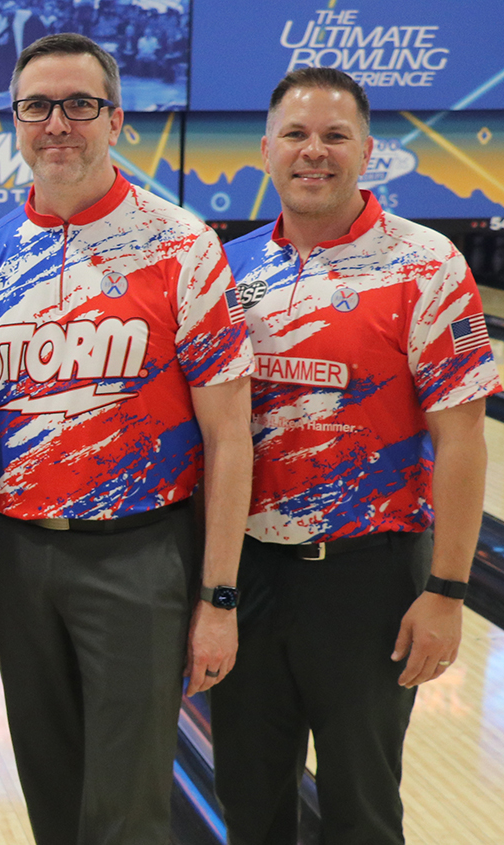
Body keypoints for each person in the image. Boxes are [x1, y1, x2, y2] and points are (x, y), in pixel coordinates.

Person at [0, 33, 254, 845]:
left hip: (141, 553)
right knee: (52, 790)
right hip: (14, 554)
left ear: (116, 120)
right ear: (15, 122)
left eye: (80, 104)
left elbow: (228, 436)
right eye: (37, 106)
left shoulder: (182, 246)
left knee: (128, 809)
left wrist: (218, 596)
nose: (58, 123)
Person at [212, 67, 502, 845]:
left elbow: (464, 440)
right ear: (266, 148)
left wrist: (446, 590)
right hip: (244, 574)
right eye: (297, 135)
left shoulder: (427, 265)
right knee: (247, 800)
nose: (316, 152)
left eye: (335, 136)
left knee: (362, 808)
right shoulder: (228, 270)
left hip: (369, 580)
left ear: (367, 151)